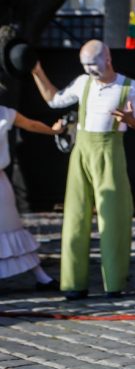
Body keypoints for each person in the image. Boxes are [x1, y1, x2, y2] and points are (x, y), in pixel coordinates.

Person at [31, 40, 135, 300]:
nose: (89, 70)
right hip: (81, 152)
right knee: (75, 216)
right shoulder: (83, 82)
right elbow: (54, 99)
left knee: (114, 217)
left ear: (107, 59)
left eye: (93, 65)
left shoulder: (128, 87)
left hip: (109, 152)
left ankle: (114, 282)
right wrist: (36, 71)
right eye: (84, 65)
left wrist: (130, 120)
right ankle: (74, 283)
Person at [0, 106, 64, 289]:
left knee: (10, 228)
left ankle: (41, 276)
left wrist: (54, 130)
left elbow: (31, 125)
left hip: (0, 182)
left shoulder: (5, 113)